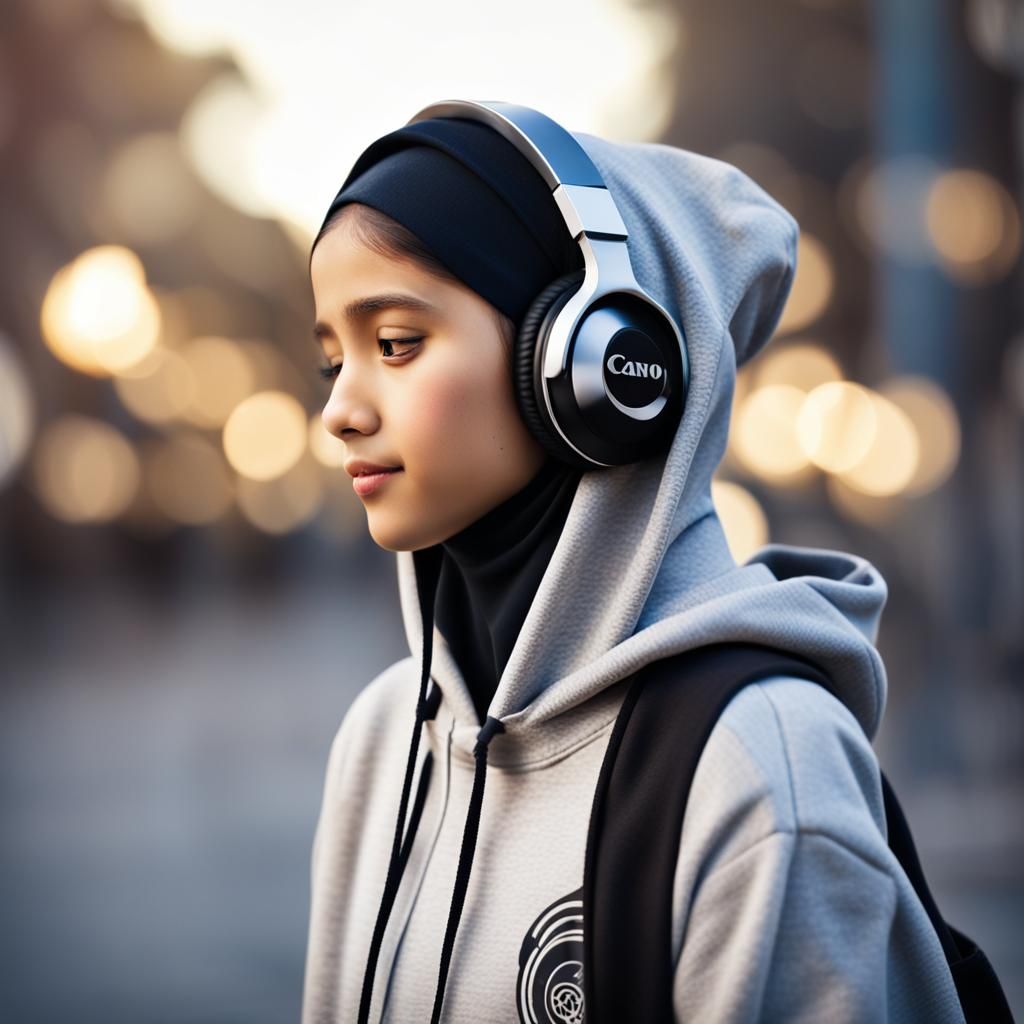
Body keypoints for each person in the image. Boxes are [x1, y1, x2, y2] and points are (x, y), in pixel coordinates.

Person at [301, 106, 966, 1023]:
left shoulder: (759, 763)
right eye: (333, 358)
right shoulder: (381, 738)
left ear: (599, 366)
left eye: (396, 344)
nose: (339, 408)